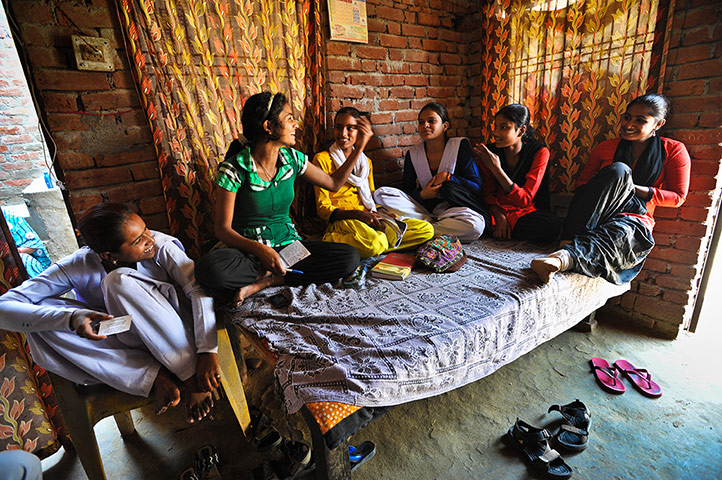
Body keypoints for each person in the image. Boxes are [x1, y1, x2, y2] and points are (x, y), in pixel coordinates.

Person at [0, 203, 219, 424]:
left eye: (146, 230)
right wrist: (71, 319)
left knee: (117, 282)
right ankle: (153, 376)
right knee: (39, 323)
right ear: (109, 254)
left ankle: (190, 378)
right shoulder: (79, 264)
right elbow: (4, 307)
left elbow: (198, 291)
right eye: (138, 240)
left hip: (176, 334)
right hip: (128, 339)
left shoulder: (161, 247)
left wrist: (207, 350)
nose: (149, 239)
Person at [194, 92, 366, 304]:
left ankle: (268, 280)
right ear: (269, 127)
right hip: (248, 252)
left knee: (349, 257)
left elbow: (334, 184)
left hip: (290, 248)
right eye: (289, 118)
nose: (296, 125)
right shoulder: (234, 168)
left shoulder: (292, 159)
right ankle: (274, 273)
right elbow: (222, 229)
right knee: (209, 270)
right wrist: (262, 251)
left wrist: (359, 149)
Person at [531, 93, 690, 284]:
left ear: (658, 124)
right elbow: (582, 186)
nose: (629, 124)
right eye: (627, 117)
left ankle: (561, 259)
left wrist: (631, 188)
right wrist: (615, 185)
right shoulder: (606, 148)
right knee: (619, 170)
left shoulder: (673, 150)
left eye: (640, 120)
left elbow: (677, 197)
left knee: (622, 235)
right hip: (598, 213)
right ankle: (568, 242)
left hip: (633, 218)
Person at [313, 107, 434, 258]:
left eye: (350, 128)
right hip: (343, 221)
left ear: (359, 132)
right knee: (375, 243)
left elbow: (369, 198)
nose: (343, 133)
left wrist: (384, 213)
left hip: (368, 217)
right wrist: (358, 214)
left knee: (426, 229)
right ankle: (331, 240)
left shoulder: (366, 163)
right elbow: (323, 209)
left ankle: (378, 243)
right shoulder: (322, 159)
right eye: (338, 127)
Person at [373, 102, 488, 242]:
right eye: (421, 122)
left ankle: (422, 229)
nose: (425, 125)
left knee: (476, 226)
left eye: (431, 121)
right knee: (382, 194)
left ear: (445, 126)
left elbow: (476, 187)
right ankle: (427, 226)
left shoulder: (459, 146)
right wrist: (422, 195)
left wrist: (449, 177)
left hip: (452, 212)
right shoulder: (414, 154)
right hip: (422, 210)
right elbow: (407, 191)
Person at [474, 104, 560, 243]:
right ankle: (502, 228)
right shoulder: (489, 152)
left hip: (525, 212)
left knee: (551, 225)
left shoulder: (539, 152)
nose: (495, 133)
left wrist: (497, 169)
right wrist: (500, 217)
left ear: (521, 131)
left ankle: (500, 230)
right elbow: (487, 194)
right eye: (495, 126)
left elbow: (524, 200)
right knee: (472, 217)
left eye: (504, 127)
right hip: (495, 212)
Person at [3, 212, 52, 277]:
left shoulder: (12, 218)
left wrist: (13, 253)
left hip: (17, 260)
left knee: (22, 259)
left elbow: (35, 244)